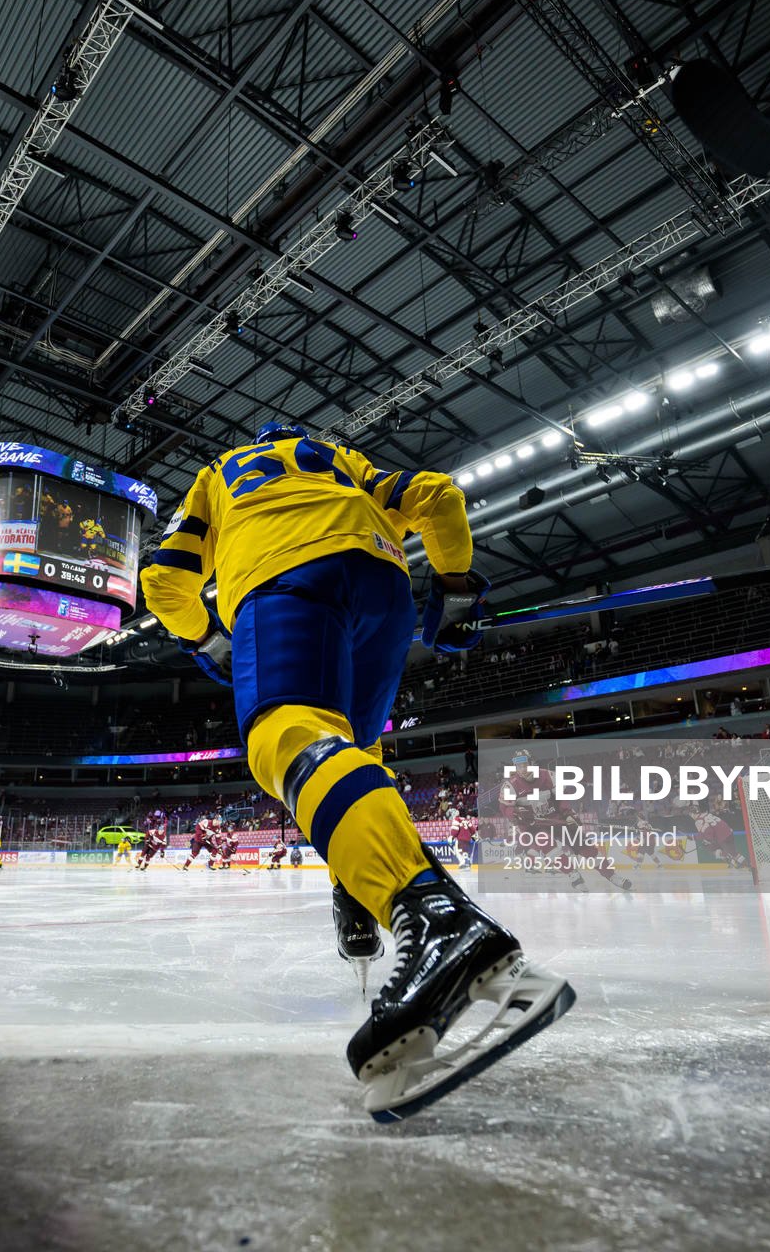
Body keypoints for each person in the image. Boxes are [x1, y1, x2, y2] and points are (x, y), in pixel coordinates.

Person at [140, 419, 572, 1121]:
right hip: (382, 592)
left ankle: (435, 921)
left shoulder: (221, 473)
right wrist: (455, 591)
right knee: (351, 757)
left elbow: (164, 578)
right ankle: (363, 894)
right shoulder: (345, 462)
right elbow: (436, 496)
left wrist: (210, 640)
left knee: (287, 735)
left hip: (285, 578)